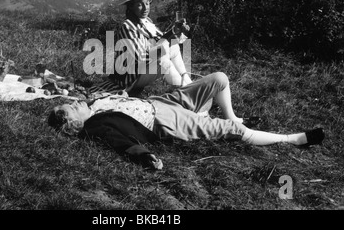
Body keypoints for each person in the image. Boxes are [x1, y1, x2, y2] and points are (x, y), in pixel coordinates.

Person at [48, 72, 325, 170]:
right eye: (72, 109)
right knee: (232, 131)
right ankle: (293, 140)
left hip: (164, 101)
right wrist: (144, 156)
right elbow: (118, 142)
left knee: (219, 79)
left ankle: (231, 115)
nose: (74, 104)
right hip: (163, 119)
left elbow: (113, 92)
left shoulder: (95, 104)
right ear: (74, 125)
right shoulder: (95, 126)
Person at [107, 0, 193, 96]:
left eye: (147, 3)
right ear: (131, 6)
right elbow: (141, 57)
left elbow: (161, 40)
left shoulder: (147, 21)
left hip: (145, 67)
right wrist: (166, 44)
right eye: (139, 4)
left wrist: (176, 32)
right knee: (163, 60)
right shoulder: (128, 26)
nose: (145, 8)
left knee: (174, 46)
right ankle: (187, 93)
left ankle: (189, 84)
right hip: (131, 76)